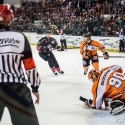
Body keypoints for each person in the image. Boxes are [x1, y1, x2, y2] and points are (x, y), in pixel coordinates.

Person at [0, 4, 41, 125]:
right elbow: (30, 66)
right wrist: (35, 87)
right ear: (10, 18)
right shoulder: (20, 37)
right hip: (18, 89)